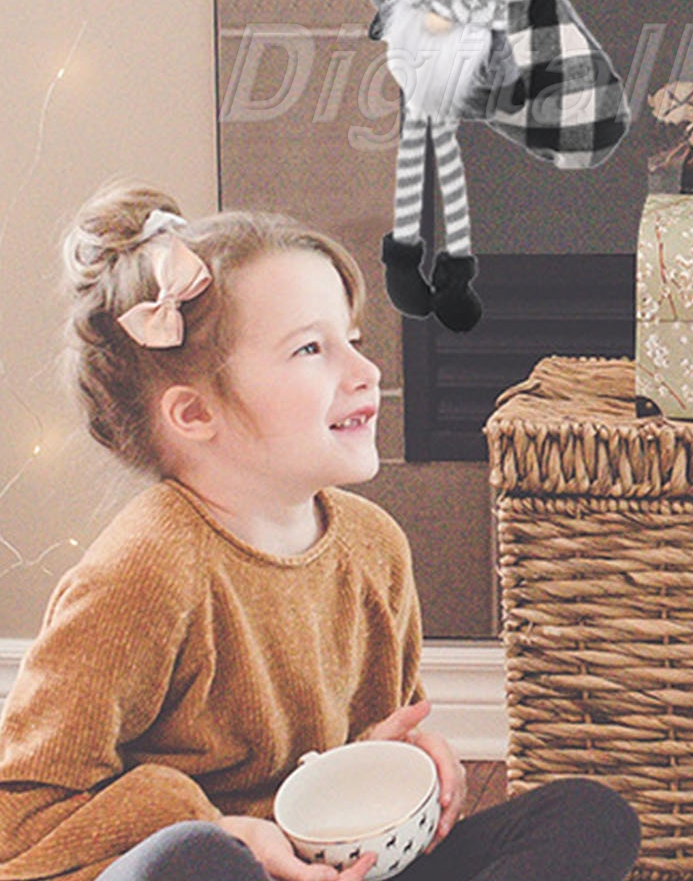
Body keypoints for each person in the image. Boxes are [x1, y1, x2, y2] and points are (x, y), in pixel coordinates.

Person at [0, 184, 639, 881]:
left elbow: (366, 738)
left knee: (589, 816)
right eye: (310, 348)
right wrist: (229, 829)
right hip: (217, 865)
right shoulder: (139, 573)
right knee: (194, 860)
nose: (367, 374)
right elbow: (21, 820)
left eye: (352, 341)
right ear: (193, 415)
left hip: (332, 865)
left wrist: (397, 757)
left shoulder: (373, 544)